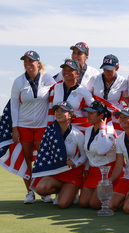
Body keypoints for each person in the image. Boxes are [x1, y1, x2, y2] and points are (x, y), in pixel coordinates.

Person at [10, 50, 55, 203]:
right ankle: (30, 191)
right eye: (25, 61)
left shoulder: (48, 78)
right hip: (24, 125)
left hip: (43, 126)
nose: (28, 64)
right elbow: (14, 107)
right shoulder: (18, 81)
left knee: (41, 159)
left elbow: (56, 96)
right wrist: (15, 128)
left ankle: (42, 190)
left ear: (38, 63)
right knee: (27, 159)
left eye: (31, 61)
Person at [34, 101, 86, 208]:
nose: (58, 113)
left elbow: (84, 155)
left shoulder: (78, 134)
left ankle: (72, 190)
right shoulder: (50, 131)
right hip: (56, 171)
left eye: (63, 111)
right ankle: (63, 190)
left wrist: (75, 163)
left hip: (73, 172)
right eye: (57, 111)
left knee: (62, 204)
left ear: (70, 115)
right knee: (40, 189)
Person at [79, 100, 118, 209]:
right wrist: (86, 169)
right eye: (88, 113)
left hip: (107, 172)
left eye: (91, 113)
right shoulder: (88, 130)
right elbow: (88, 153)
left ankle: (118, 194)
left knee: (94, 204)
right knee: (83, 202)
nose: (88, 115)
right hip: (93, 172)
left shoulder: (110, 131)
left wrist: (102, 129)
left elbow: (101, 151)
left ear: (101, 115)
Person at [86, 54, 128, 135]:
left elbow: (127, 102)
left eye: (110, 69)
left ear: (117, 68)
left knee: (115, 142)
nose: (107, 72)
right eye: (105, 69)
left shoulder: (123, 82)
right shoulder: (95, 79)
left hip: (115, 118)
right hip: (98, 117)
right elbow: (88, 97)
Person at [52, 59, 94, 128]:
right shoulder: (56, 87)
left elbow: (94, 110)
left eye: (70, 70)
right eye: (65, 69)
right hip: (57, 128)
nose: (66, 72)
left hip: (76, 129)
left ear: (77, 73)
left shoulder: (84, 92)